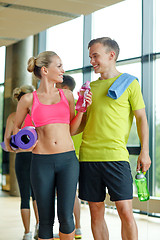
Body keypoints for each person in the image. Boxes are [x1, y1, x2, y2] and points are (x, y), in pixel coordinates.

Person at [77, 37, 151, 240]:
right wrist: (81, 109)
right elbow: (80, 126)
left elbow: (141, 118)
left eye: (95, 56)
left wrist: (144, 151)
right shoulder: (89, 88)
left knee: (125, 211)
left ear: (111, 55)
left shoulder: (130, 83)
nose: (92, 61)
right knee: (95, 211)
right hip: (89, 157)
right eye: (90, 56)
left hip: (116, 157)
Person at [13, 51, 92, 240]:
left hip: (67, 160)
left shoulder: (67, 95)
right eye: (59, 66)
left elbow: (72, 130)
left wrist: (81, 111)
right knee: (45, 220)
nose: (63, 70)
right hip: (41, 162)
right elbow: (16, 128)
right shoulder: (28, 99)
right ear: (45, 70)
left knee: (66, 216)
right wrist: (26, 144)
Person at [4, 85, 39, 240]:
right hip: (37, 158)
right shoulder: (37, 115)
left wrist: (16, 149)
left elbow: (6, 143)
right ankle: (39, 227)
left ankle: (27, 233)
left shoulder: (12, 116)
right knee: (38, 196)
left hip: (22, 158)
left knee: (25, 197)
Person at [54, 75, 82, 240]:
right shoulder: (80, 103)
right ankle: (76, 228)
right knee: (72, 195)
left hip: (68, 154)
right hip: (78, 153)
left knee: (66, 195)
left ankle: (71, 229)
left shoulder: (65, 103)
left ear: (63, 88)